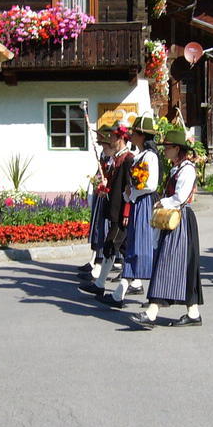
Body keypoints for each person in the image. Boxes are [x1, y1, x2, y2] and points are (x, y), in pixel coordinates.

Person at [129, 127, 204, 328]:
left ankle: (152, 312)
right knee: (182, 266)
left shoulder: (187, 169)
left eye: (168, 147)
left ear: (178, 148)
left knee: (167, 263)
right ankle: (193, 312)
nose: (165, 151)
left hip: (180, 221)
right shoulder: (177, 168)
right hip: (174, 220)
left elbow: (181, 197)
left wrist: (163, 202)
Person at [100, 115, 161, 309]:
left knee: (143, 248)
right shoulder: (142, 156)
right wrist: (131, 194)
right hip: (137, 202)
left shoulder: (150, 156)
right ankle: (120, 294)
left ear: (142, 136)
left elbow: (151, 184)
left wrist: (132, 190)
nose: (131, 135)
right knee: (135, 247)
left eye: (134, 133)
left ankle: (149, 293)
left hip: (144, 202)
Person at [79, 121, 134, 297]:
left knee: (111, 246)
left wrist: (126, 212)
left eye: (112, 136)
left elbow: (130, 188)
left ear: (120, 138)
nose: (109, 139)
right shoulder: (116, 158)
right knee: (125, 249)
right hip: (113, 210)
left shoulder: (128, 159)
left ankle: (103, 285)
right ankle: (122, 285)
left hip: (121, 213)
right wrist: (104, 187)